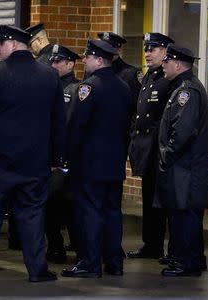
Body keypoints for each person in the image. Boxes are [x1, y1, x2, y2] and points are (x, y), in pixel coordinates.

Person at [0, 25, 65, 282]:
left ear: (12, 44)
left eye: (1, 44)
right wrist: (56, 157)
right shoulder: (50, 75)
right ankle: (37, 270)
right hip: (34, 162)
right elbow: (58, 121)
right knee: (32, 216)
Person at [61, 39, 132, 278]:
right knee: (112, 212)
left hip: (90, 163)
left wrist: (67, 156)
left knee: (90, 212)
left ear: (99, 59)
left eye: (88, 57)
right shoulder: (123, 87)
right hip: (114, 162)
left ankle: (90, 262)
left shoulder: (88, 87)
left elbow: (76, 126)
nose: (85, 61)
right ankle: (114, 262)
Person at [157, 44, 208, 277]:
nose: (163, 65)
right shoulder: (185, 87)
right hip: (187, 167)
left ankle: (186, 263)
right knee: (188, 215)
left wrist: (166, 154)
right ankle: (193, 259)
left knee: (185, 216)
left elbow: (182, 131)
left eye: (166, 62)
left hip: (185, 168)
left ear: (177, 65)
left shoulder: (186, 92)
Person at [127, 32, 175, 261]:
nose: (147, 53)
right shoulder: (149, 77)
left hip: (159, 150)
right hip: (146, 149)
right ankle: (151, 245)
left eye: (152, 49)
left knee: (161, 202)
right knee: (149, 200)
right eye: (146, 49)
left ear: (166, 51)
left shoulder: (168, 79)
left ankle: (162, 246)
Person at [46, 44, 81, 263]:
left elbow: (70, 126)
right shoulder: (49, 86)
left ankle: (78, 248)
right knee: (49, 206)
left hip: (67, 158)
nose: (54, 64)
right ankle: (55, 246)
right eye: (52, 61)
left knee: (70, 205)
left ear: (70, 64)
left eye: (58, 61)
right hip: (49, 157)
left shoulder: (77, 89)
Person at [98, 32, 142, 105]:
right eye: (102, 48)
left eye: (109, 48)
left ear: (119, 50)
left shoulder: (131, 74)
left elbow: (137, 106)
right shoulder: (93, 70)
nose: (105, 51)